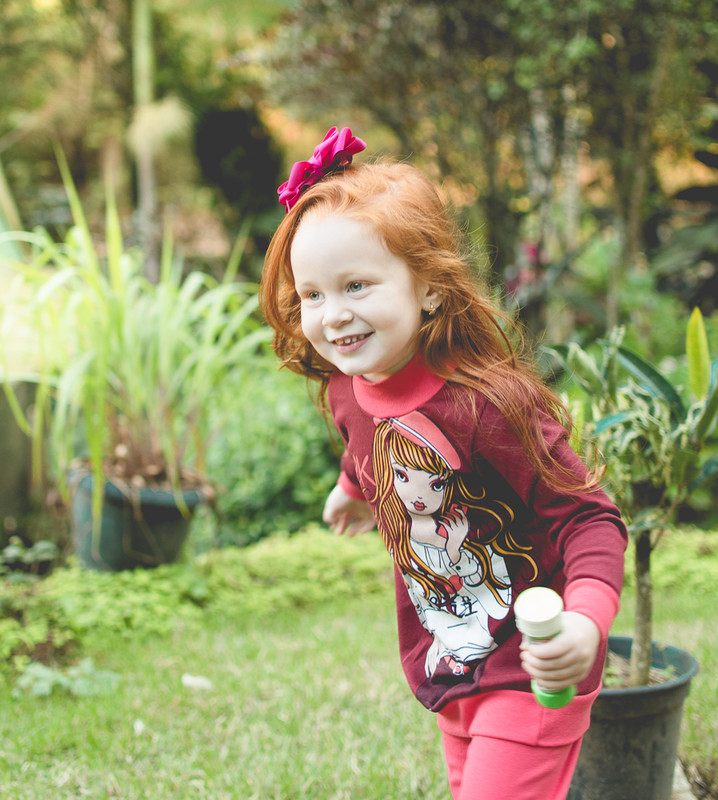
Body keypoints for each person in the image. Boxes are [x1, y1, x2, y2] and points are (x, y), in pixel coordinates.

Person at [260, 127, 628, 800]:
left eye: (356, 285)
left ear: (429, 287)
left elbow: (590, 520)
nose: (332, 315)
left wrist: (585, 623)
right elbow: (366, 441)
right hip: (451, 660)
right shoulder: (349, 387)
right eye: (311, 294)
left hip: (531, 665)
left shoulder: (487, 406)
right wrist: (353, 490)